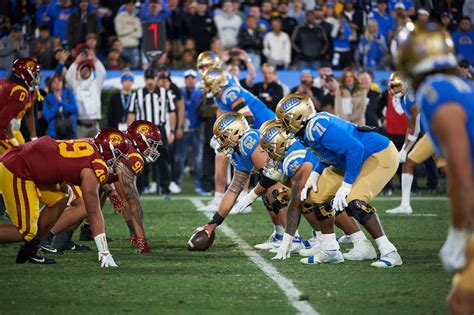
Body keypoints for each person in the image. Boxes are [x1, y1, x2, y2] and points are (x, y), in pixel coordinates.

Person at [397, 21, 474, 315]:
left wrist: (456, 236)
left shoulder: (435, 91)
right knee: (461, 301)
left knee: (462, 302)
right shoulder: (461, 85)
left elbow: (461, 169)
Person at [274, 93, 402, 268]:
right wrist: (316, 174)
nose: (283, 126)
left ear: (299, 116)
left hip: (377, 154)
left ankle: (389, 251)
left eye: (285, 120)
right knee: (316, 196)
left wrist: (346, 185)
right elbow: (328, 153)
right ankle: (331, 250)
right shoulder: (307, 129)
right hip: (349, 160)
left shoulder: (316, 126)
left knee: (354, 202)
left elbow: (355, 149)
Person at [0, 128, 128, 266]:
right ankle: (31, 242)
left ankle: (31, 249)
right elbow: (94, 212)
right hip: (19, 168)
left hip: (30, 160)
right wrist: (104, 251)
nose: (119, 161)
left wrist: (112, 184)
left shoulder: (91, 144)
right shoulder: (93, 168)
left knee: (59, 200)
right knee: (25, 231)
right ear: (108, 151)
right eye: (118, 155)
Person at [259, 118, 375, 264]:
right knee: (310, 198)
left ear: (280, 143)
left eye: (270, 149)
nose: (268, 155)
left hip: (343, 172)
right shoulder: (292, 150)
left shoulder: (294, 158)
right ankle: (322, 240)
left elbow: (295, 203)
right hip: (331, 171)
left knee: (322, 201)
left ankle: (360, 242)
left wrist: (286, 244)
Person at [194, 113, 307, 253]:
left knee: (273, 191)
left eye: (223, 137)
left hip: (304, 173)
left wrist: (251, 195)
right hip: (291, 177)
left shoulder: (250, 140)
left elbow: (270, 176)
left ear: (235, 132)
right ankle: (280, 234)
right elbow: (234, 189)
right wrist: (213, 223)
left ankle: (294, 239)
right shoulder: (237, 152)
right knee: (267, 191)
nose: (221, 142)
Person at [385, 72, 445, 214]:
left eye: (398, 86)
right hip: (430, 135)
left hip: (439, 133)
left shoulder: (412, 98)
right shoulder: (404, 99)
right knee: (409, 164)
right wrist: (405, 149)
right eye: (393, 86)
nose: (395, 89)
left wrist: (405, 149)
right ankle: (405, 205)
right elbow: (411, 127)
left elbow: (416, 128)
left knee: (448, 170)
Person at [127, 67, 176, 198]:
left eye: (152, 78)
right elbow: (131, 113)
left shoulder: (165, 93)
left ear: (156, 79)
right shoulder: (137, 94)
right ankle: (141, 188)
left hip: (159, 130)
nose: (150, 81)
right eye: (148, 78)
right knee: (140, 160)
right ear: (144, 79)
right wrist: (130, 133)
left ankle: (165, 189)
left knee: (163, 160)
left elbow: (172, 112)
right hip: (142, 131)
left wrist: (172, 131)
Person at [0, 58, 40, 155]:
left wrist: (34, 139)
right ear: (24, 74)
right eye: (34, 74)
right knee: (17, 157)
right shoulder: (18, 91)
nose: (37, 77)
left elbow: (29, 115)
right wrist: (12, 140)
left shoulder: (30, 90)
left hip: (11, 128)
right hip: (3, 127)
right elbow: (4, 120)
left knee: (25, 155)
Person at [173, 70, 204, 193]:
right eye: (188, 78)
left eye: (192, 78)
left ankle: (198, 184)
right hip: (184, 130)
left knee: (198, 159)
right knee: (180, 158)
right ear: (185, 80)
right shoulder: (180, 93)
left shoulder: (201, 94)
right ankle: (178, 183)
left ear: (195, 81)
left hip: (197, 129)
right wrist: (178, 127)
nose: (190, 80)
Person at [66, 51, 106, 138]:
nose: (85, 71)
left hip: (95, 125)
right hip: (81, 126)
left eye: (88, 69)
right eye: (83, 69)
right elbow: (68, 77)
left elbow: (102, 73)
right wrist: (75, 63)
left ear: (91, 71)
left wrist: (95, 60)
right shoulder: (76, 84)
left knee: (97, 150)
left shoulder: (96, 84)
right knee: (80, 150)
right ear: (79, 71)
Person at [43, 74, 78, 139]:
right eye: (54, 81)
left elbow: (75, 110)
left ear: (63, 83)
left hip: (70, 132)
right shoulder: (47, 98)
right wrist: (57, 104)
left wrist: (62, 103)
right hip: (54, 134)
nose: (57, 83)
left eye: (59, 81)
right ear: (51, 84)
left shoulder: (69, 94)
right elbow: (47, 116)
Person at [114, 0, 142, 68]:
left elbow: (139, 34)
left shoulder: (136, 19)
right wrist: (133, 29)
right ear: (126, 5)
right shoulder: (119, 18)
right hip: (122, 48)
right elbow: (120, 32)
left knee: (135, 70)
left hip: (134, 48)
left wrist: (126, 30)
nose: (131, 6)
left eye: (133, 5)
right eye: (129, 4)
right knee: (121, 70)